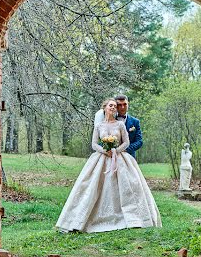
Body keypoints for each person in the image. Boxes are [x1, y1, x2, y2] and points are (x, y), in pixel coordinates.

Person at [56, 98, 161, 233]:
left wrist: (115, 151)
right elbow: (94, 144)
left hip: (120, 158)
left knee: (129, 185)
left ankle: (133, 218)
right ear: (104, 108)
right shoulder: (98, 126)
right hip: (102, 158)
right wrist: (105, 151)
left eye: (114, 106)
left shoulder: (120, 125)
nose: (113, 108)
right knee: (92, 186)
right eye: (110, 106)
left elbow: (127, 142)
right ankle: (83, 219)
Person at [114, 94, 143, 159]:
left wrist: (125, 149)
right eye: (119, 105)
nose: (122, 107)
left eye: (125, 104)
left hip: (129, 157)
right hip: (112, 157)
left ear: (128, 104)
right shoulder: (110, 120)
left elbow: (139, 141)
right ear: (116, 106)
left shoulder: (135, 122)